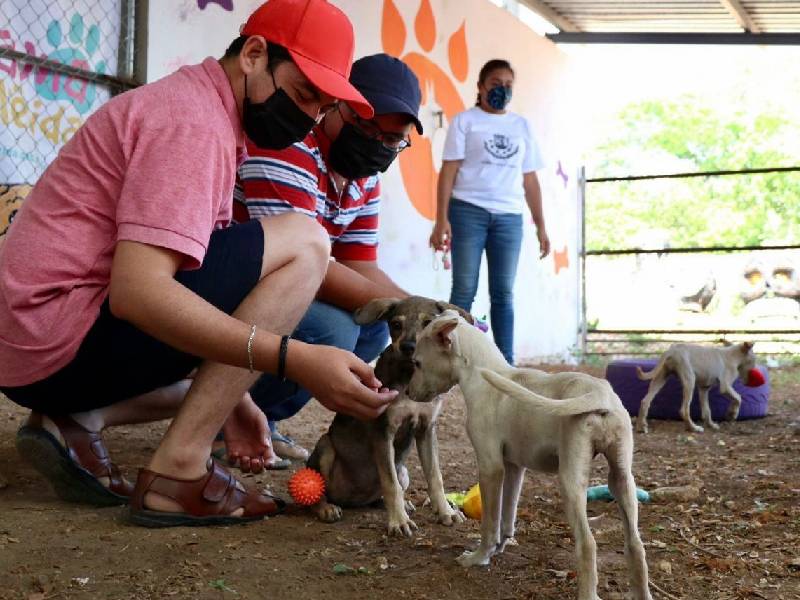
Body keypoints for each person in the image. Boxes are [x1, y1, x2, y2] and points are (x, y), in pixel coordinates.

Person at [0, 0, 397, 527]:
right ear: (254, 54)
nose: (306, 120)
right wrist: (293, 358)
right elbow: (139, 293)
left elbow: (191, 275)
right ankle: (179, 471)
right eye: (303, 95)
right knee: (305, 243)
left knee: (217, 363)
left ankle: (75, 419)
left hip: (35, 345)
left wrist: (234, 401)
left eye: (322, 109)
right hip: (52, 338)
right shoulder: (192, 121)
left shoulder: (204, 110)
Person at [236, 53, 422, 458]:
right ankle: (224, 417)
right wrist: (414, 314)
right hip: (234, 282)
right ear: (335, 103)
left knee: (376, 327)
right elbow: (296, 263)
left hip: (283, 283)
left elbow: (361, 265)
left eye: (391, 139)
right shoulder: (289, 147)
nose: (376, 143)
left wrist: (426, 312)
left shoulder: (363, 178)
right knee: (336, 331)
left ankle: (260, 418)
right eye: (364, 125)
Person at [429, 58, 551, 365]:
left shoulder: (521, 126)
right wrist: (440, 219)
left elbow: (530, 179)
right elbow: (449, 171)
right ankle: (451, 358)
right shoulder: (465, 121)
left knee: (503, 294)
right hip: (467, 210)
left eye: (508, 85)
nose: (502, 90)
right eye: (496, 84)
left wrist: (541, 226)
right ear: (481, 87)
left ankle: (505, 362)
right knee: (464, 289)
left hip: (509, 217)